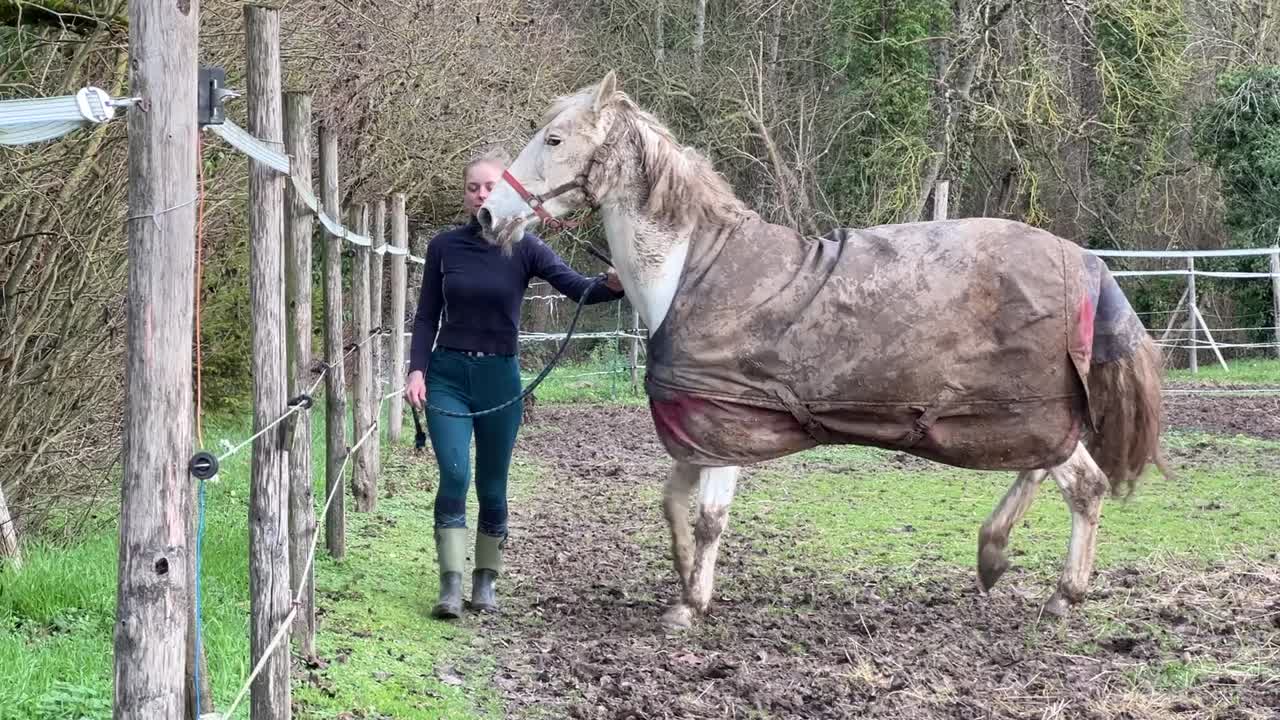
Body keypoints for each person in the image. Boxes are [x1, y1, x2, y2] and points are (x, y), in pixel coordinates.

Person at [404, 148, 625, 619]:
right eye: (473, 187)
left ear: (505, 190)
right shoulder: (444, 247)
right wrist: (417, 369)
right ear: (464, 195)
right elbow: (426, 316)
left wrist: (615, 283)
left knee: (492, 485)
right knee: (456, 473)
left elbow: (577, 288)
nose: (482, 194)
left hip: (499, 377)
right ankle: (450, 585)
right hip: (447, 376)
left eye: (490, 186)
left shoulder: (526, 246)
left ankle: (485, 582)